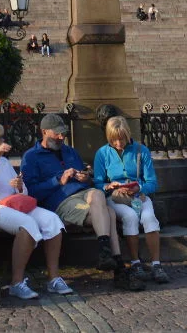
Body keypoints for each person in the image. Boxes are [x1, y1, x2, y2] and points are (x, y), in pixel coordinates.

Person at [22, 115, 135, 285]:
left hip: (85, 195)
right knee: (109, 212)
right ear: (44, 132)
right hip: (61, 201)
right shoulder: (31, 157)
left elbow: (87, 176)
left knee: (98, 196)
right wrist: (58, 180)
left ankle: (105, 254)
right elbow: (31, 192)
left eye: (64, 134)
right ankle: (118, 266)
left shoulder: (70, 151)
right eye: (57, 134)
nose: (62, 137)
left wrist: (85, 176)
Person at [0, 119, 71, 299]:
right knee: (27, 223)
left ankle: (53, 278)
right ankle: (16, 282)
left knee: (52, 220)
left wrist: (18, 186)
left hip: (14, 205)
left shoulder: (5, 163)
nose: (2, 139)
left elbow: (23, 192)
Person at [93, 114, 169, 285]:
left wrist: (139, 188)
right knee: (130, 217)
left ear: (128, 134)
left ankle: (156, 264)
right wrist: (108, 186)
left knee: (149, 218)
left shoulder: (141, 151)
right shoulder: (102, 154)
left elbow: (152, 182)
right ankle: (135, 263)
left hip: (138, 195)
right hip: (116, 198)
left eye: (121, 139)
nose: (118, 143)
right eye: (114, 140)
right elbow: (97, 182)